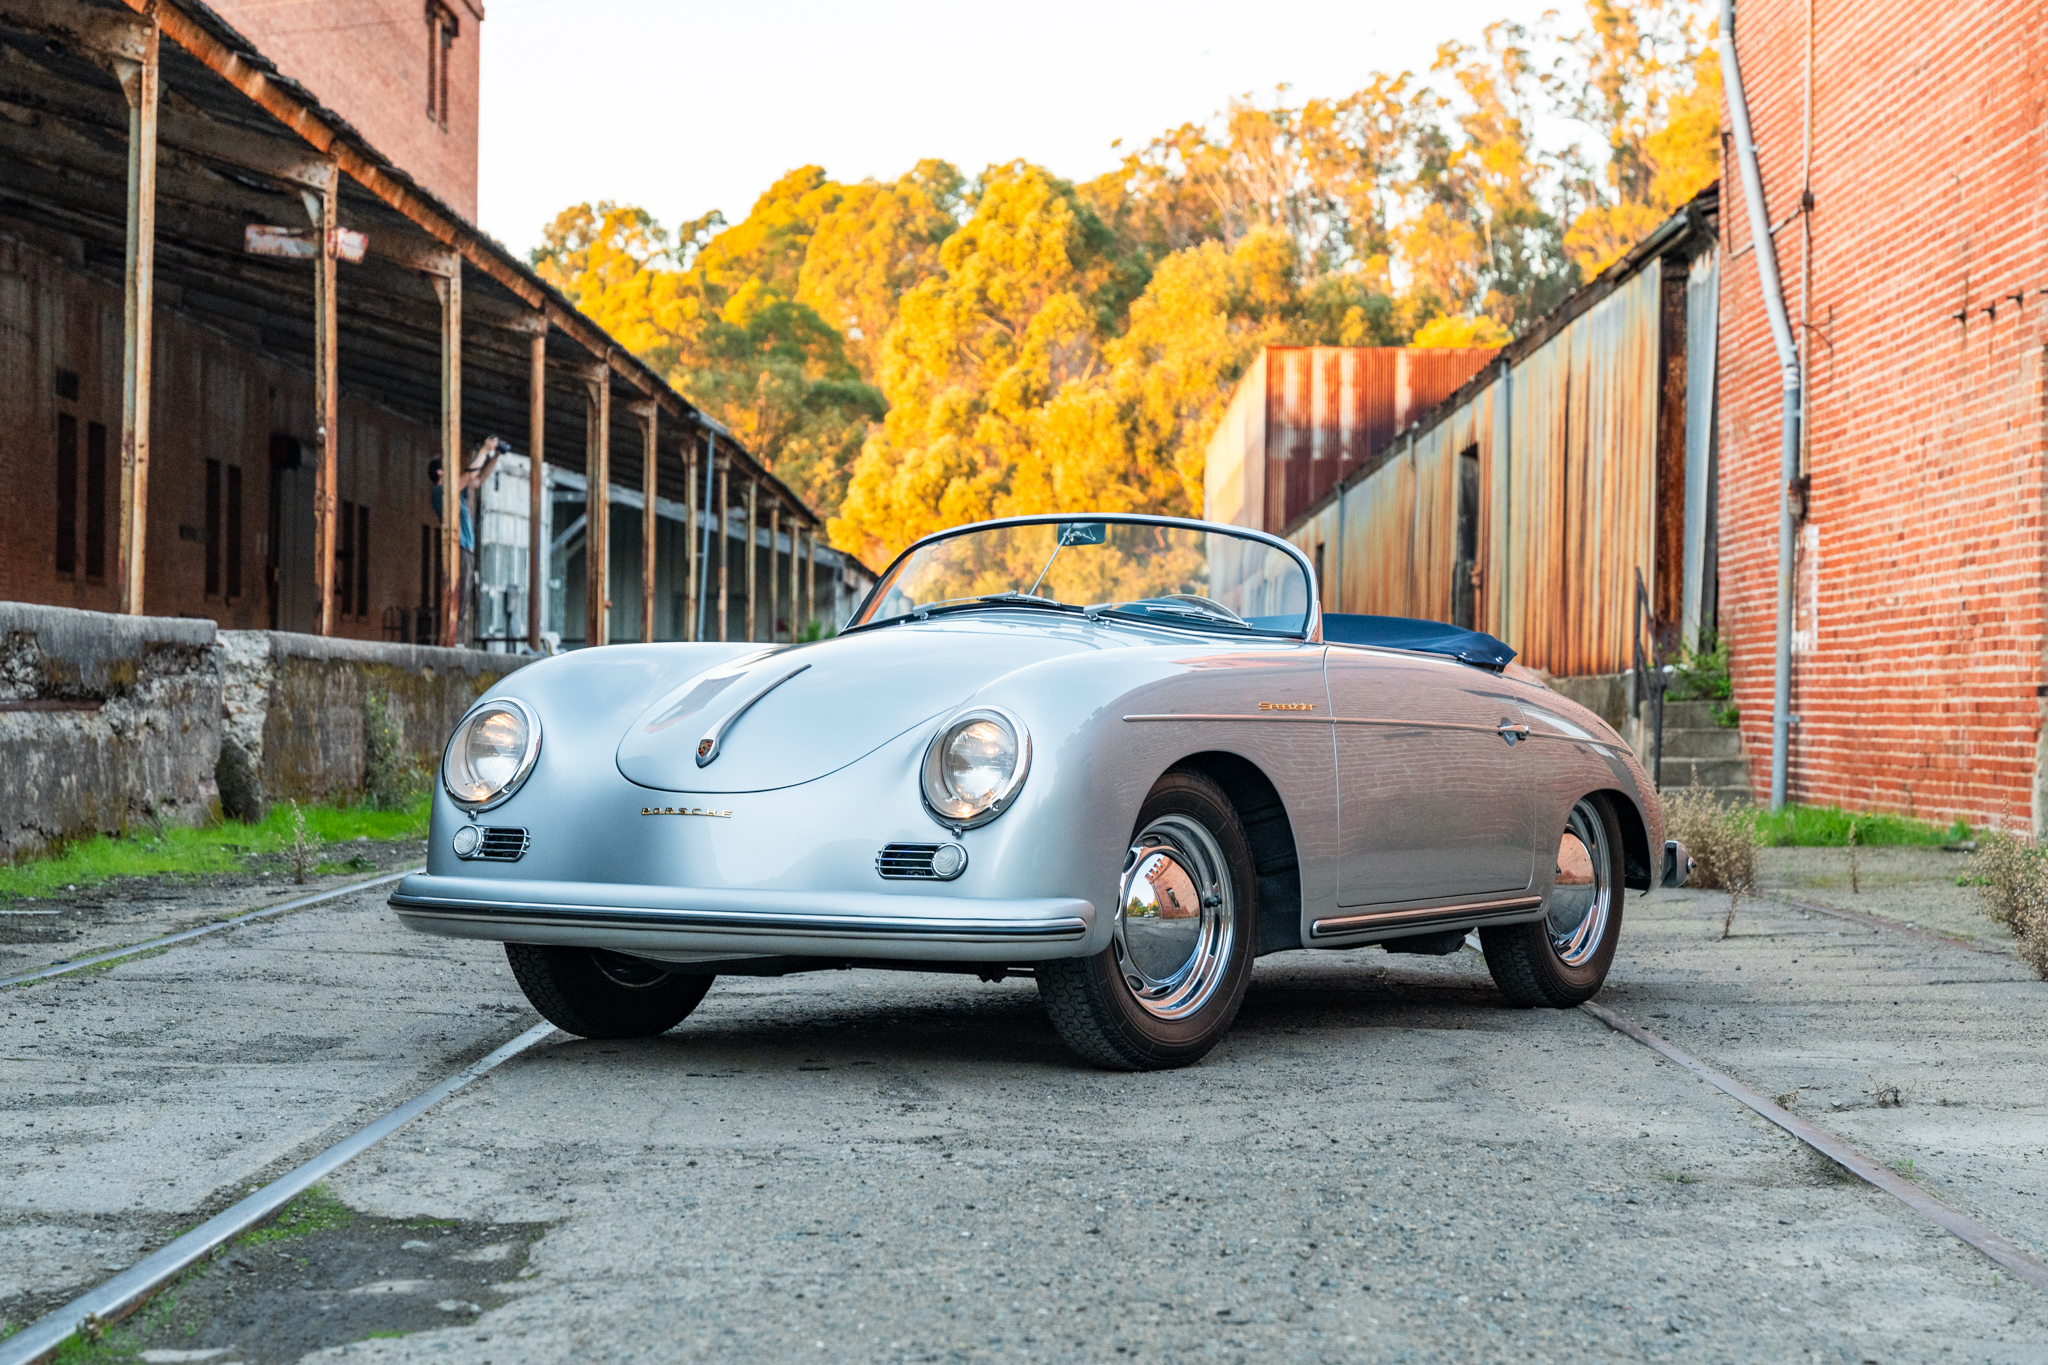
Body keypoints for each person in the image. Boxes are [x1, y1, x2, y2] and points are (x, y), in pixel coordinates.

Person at [429, 436, 502, 645]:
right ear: (439, 472)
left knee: (464, 597)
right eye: (446, 467)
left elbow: (477, 480)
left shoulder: (456, 494)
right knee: (458, 597)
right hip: (458, 549)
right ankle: (452, 642)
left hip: (467, 549)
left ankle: (455, 640)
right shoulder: (441, 493)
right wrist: (484, 450)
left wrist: (495, 457)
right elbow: (470, 475)